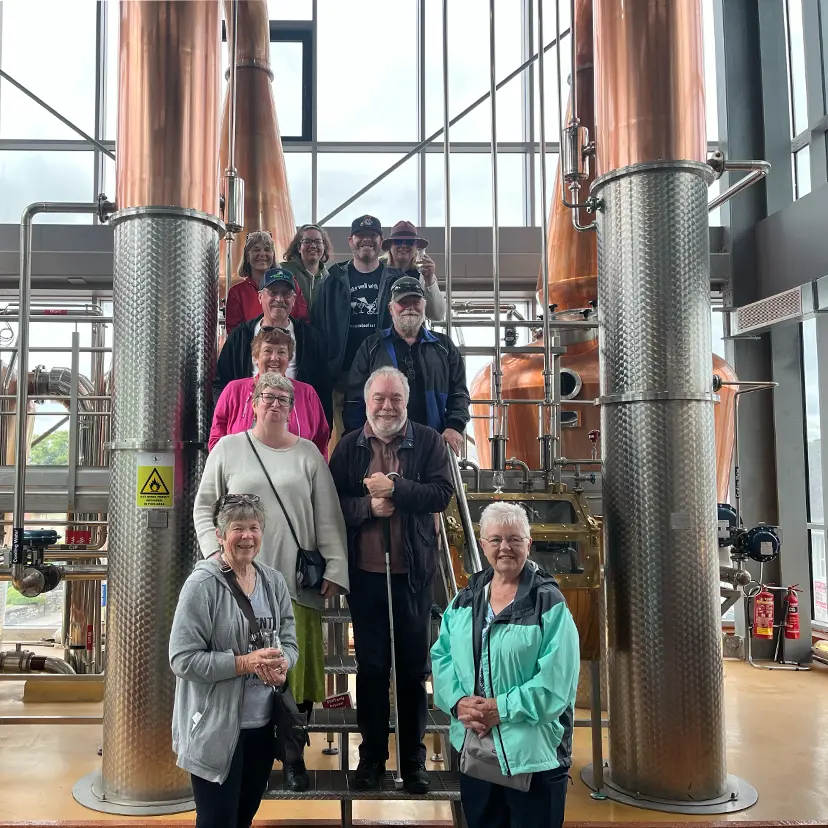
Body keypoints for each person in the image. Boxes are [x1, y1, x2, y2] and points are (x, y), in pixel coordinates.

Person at [195, 372, 350, 792]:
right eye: (267, 396)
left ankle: (295, 755)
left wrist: (335, 569)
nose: (275, 403)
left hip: (294, 586)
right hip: (235, 586)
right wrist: (215, 556)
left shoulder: (308, 456)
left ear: (293, 406)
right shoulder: (228, 449)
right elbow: (204, 507)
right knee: (241, 671)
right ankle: (244, 753)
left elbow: (329, 516)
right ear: (253, 401)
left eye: (283, 397)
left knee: (293, 676)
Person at [328, 367, 454, 795]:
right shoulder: (349, 448)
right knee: (372, 668)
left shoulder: (428, 441)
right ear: (366, 401)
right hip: (366, 577)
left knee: (413, 670)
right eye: (379, 398)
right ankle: (372, 759)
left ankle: (414, 761)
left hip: (413, 576)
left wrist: (397, 488)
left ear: (406, 400)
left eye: (395, 398)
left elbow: (441, 493)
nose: (386, 406)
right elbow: (333, 507)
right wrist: (368, 507)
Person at [430, 502, 580, 828]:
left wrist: (500, 709)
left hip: (534, 757)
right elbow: (441, 656)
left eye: (514, 539)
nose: (505, 548)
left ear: (529, 543)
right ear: (482, 545)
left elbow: (557, 684)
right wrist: (458, 703)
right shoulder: (465, 599)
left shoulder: (548, 603)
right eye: (495, 539)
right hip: (477, 751)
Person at [170, 493, 298, 827]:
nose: (246, 536)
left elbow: (289, 642)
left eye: (253, 527)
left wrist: (284, 663)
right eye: (237, 528)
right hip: (216, 731)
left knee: (243, 818)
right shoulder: (202, 585)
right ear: (220, 534)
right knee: (217, 821)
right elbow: (182, 659)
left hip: (262, 727)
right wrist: (244, 663)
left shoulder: (273, 582)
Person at [311, 215, 446, 441]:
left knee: (388, 439)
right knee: (347, 440)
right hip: (342, 379)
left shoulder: (397, 280)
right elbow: (318, 326)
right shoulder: (332, 281)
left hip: (385, 375)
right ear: (351, 241)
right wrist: (327, 367)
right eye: (361, 236)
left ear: (380, 240)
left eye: (372, 236)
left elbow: (428, 316)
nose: (367, 241)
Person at [343, 275, 469, 455]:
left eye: (415, 302)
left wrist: (455, 426)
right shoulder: (372, 346)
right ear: (391, 308)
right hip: (382, 447)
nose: (410, 307)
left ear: (424, 306)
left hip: (434, 444)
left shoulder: (444, 347)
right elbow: (354, 398)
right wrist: (356, 437)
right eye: (403, 302)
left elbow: (459, 394)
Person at [213, 267, 332, 426]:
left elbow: (323, 388)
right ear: (260, 297)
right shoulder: (240, 336)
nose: (279, 299)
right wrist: (229, 418)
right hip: (248, 424)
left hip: (295, 424)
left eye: (286, 294)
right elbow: (221, 382)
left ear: (294, 299)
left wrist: (321, 427)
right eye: (273, 292)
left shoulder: (311, 338)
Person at [210, 327, 329, 457]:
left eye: (281, 352)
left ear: (289, 359)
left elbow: (321, 441)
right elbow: (217, 438)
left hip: (294, 474)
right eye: (267, 351)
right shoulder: (234, 390)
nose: (274, 358)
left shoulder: (307, 393)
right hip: (242, 474)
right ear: (255, 357)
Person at [225, 230, 309, 332]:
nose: (262, 254)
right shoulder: (237, 293)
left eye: (267, 249)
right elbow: (235, 335)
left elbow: (303, 322)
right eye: (256, 250)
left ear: (273, 256)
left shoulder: (292, 284)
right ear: (247, 256)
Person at [382, 221, 445, 321]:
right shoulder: (378, 271)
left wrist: (429, 281)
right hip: (383, 334)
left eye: (409, 242)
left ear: (416, 247)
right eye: (398, 242)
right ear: (390, 246)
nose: (403, 245)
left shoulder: (423, 275)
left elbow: (437, 315)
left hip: (412, 333)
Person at [279, 224, 333, 314]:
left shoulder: (330, 279)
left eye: (318, 242)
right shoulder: (283, 271)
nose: (313, 246)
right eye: (307, 241)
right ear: (299, 247)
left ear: (324, 247)